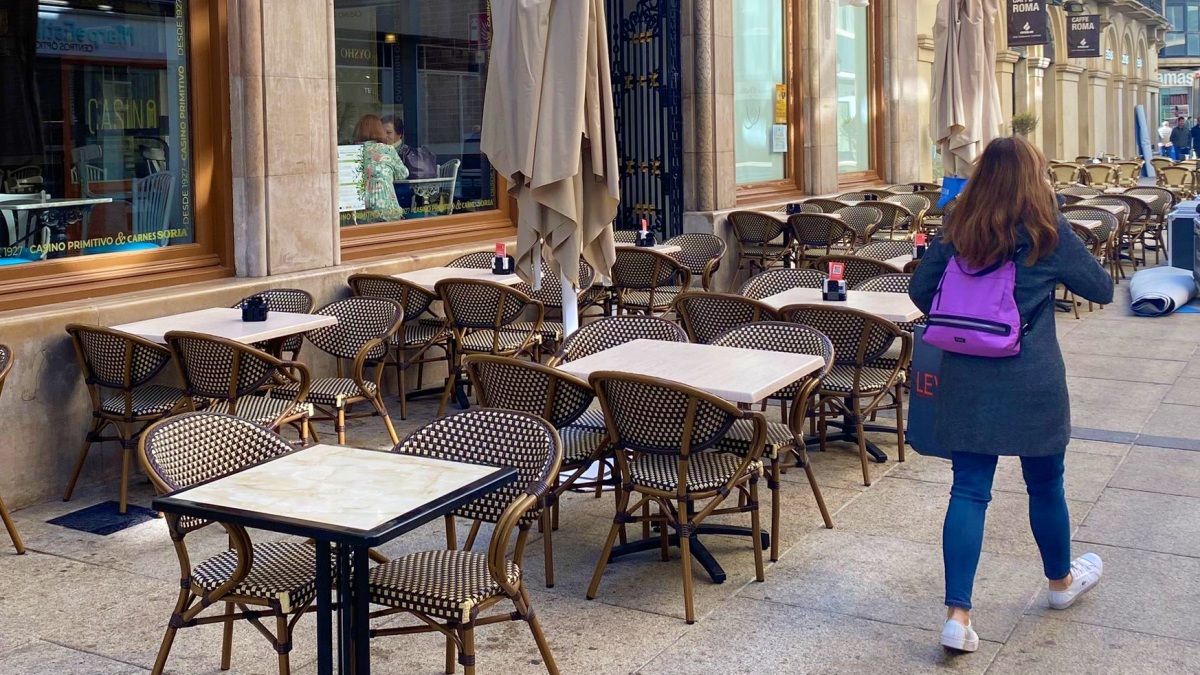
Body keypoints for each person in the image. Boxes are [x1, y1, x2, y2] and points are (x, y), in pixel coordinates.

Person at [909, 136, 1113, 654]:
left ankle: (958, 615)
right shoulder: (1046, 230)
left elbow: (918, 292)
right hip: (1032, 377)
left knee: (969, 489)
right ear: (1034, 178)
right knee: (1047, 484)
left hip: (967, 376)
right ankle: (1061, 584)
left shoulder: (958, 227)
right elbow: (1101, 289)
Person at [352, 114, 408, 222]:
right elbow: (403, 174)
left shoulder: (353, 152)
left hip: (360, 211)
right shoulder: (388, 150)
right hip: (387, 209)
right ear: (380, 130)